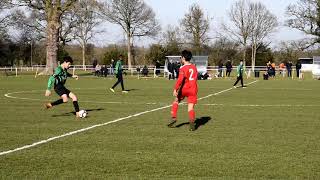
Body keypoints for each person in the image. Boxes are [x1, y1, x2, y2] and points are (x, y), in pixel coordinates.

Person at [167, 50, 198, 131]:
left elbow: (180, 80)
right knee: (190, 107)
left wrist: (175, 89)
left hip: (184, 89)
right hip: (193, 89)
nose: (181, 59)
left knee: (176, 101)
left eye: (181, 57)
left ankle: (173, 117)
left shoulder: (183, 68)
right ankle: (192, 122)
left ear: (183, 58)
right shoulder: (194, 67)